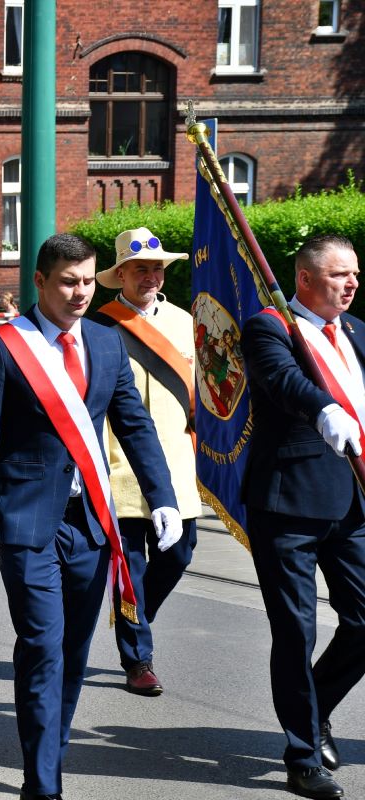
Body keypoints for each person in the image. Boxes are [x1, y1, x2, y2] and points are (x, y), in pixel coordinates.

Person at [0, 233, 180, 800]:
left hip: (91, 524)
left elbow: (134, 424)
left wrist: (163, 497)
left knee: (74, 653)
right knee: (41, 646)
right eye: (68, 282)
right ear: (39, 282)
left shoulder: (108, 345)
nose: (80, 292)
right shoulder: (3, 346)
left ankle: (48, 764)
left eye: (87, 281)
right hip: (26, 523)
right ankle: (42, 787)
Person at [240, 234, 365, 800]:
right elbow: (283, 383)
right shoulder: (271, 327)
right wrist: (324, 407)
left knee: (364, 622)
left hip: (353, 500)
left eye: (355, 274)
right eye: (340, 275)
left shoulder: (358, 332)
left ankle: (314, 705)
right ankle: (302, 755)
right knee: (296, 629)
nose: (352, 283)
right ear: (307, 279)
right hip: (288, 501)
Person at [92, 227, 201, 696]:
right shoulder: (99, 326)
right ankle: (138, 659)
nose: (152, 276)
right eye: (141, 269)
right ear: (120, 276)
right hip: (120, 470)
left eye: (157, 268)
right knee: (129, 567)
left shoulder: (186, 322)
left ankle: (132, 618)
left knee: (178, 556)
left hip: (176, 468)